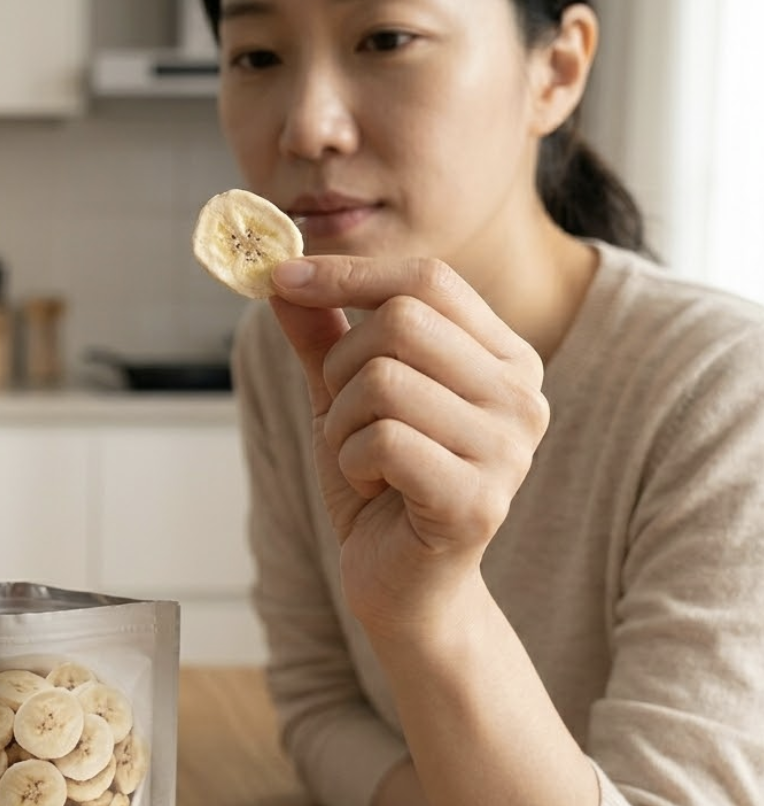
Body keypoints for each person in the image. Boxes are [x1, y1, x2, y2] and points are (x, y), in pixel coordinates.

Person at [204, 0, 764, 804]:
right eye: (257, 57)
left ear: (556, 69)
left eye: (387, 39)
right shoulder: (284, 349)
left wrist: (432, 607)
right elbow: (318, 703)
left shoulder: (727, 391)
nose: (308, 128)